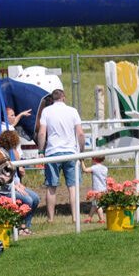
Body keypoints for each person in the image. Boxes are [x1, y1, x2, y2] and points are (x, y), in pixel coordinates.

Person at [36, 88, 85, 223]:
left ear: (52, 99)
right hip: (71, 153)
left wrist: (41, 151)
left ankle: (50, 219)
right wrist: (81, 151)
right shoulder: (73, 111)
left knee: (51, 187)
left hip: (52, 153)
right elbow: (80, 134)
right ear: (64, 97)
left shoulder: (46, 111)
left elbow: (41, 133)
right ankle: (75, 218)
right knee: (73, 187)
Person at [82, 155, 109, 223]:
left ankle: (101, 219)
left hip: (97, 190)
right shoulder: (105, 168)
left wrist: (81, 161)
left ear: (94, 159)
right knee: (94, 204)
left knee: (98, 205)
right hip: (104, 189)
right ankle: (89, 218)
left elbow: (85, 170)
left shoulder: (95, 168)